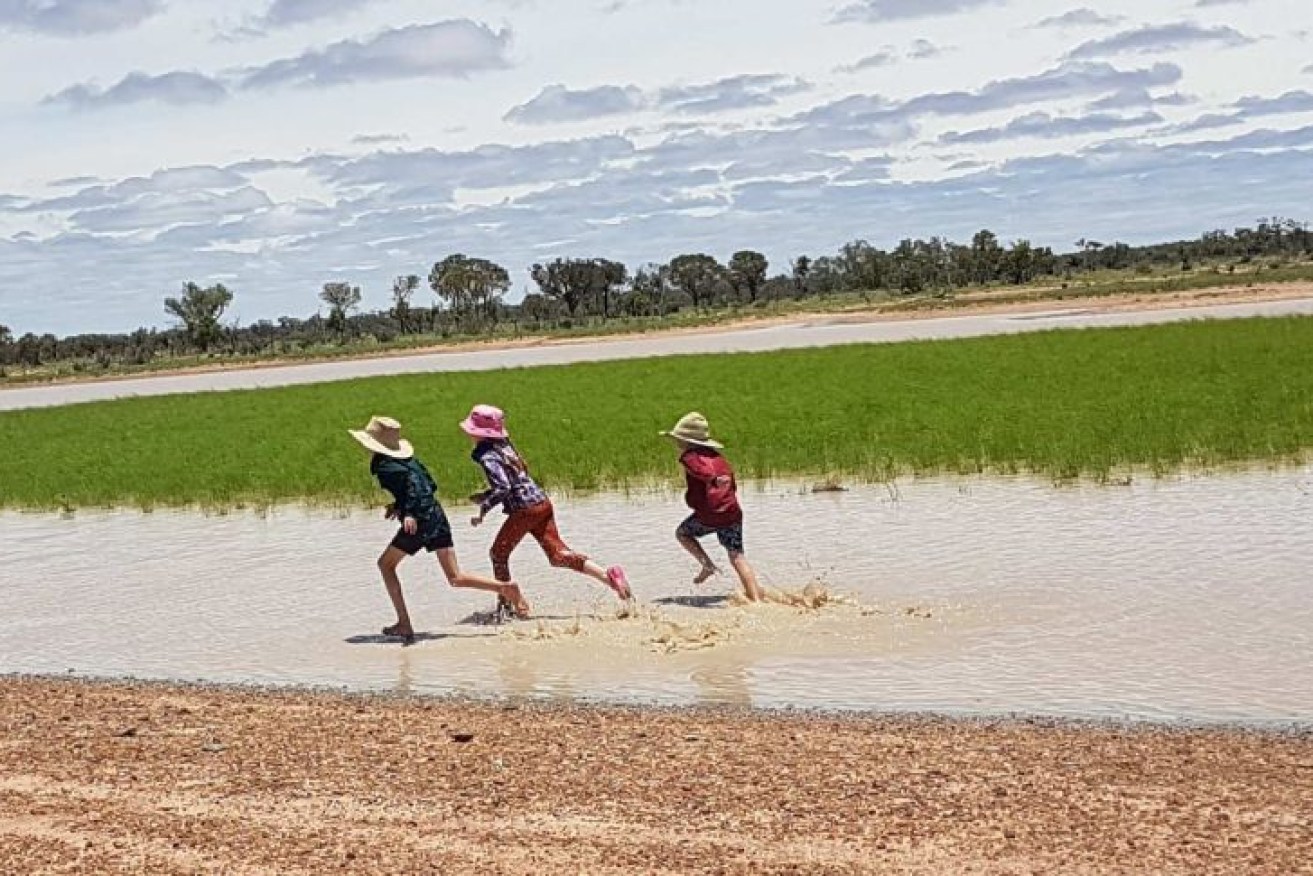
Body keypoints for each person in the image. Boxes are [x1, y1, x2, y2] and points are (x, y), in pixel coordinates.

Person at [349, 415, 529, 643]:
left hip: (421, 520)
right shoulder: (410, 461)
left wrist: (410, 512)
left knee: (385, 565)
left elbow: (415, 488)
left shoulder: (386, 466)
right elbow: (429, 485)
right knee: (456, 577)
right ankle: (505, 588)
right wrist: (399, 506)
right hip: (436, 515)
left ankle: (404, 623)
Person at [461, 404, 634, 604]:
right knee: (558, 555)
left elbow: (504, 488)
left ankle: (509, 604)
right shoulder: (505, 445)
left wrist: (483, 510)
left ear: (480, 434)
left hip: (524, 510)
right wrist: (486, 494)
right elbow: (517, 477)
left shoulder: (487, 456)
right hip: (541, 502)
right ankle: (609, 576)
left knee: (498, 554)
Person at [661, 411, 765, 602]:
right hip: (732, 512)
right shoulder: (718, 458)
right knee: (737, 557)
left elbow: (704, 474)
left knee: (682, 533)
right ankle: (757, 600)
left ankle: (707, 564)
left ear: (685, 441)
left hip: (710, 514)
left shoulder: (691, 458)